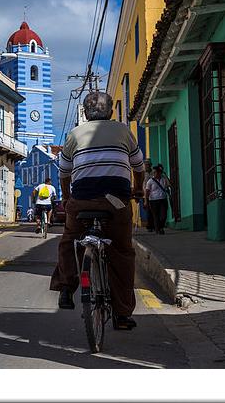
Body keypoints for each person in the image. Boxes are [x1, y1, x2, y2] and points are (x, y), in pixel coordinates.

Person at [50, 91, 145, 331]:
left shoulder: (74, 135)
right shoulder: (123, 131)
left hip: (82, 200)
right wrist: (139, 190)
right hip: (117, 202)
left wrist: (68, 198)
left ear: (85, 112)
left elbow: (64, 173)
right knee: (122, 253)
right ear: (111, 111)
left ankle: (65, 288)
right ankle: (122, 315)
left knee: (70, 241)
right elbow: (139, 166)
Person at [145, 164, 171, 235]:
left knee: (163, 216)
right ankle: (159, 229)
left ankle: (161, 226)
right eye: (153, 172)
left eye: (155, 172)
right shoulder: (150, 181)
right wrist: (146, 201)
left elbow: (169, 185)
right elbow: (147, 191)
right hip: (153, 201)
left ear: (159, 172)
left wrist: (165, 176)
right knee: (156, 216)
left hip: (163, 199)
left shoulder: (163, 179)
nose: (154, 174)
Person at [141, 160, 155, 232]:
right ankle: (150, 226)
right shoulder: (142, 173)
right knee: (148, 210)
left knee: (154, 210)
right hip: (145, 195)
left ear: (150, 165)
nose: (146, 166)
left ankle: (153, 225)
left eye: (148, 165)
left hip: (154, 194)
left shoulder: (153, 172)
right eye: (145, 165)